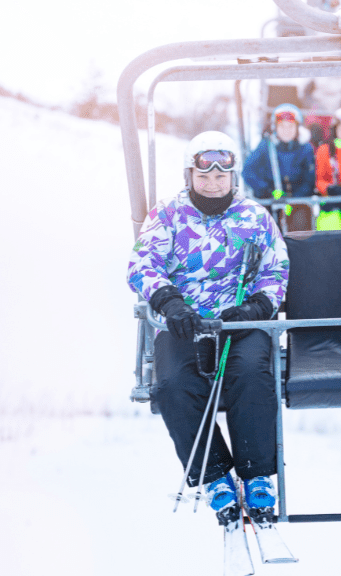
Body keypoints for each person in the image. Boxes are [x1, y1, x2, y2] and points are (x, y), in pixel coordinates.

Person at [126, 131, 289, 524]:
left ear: (233, 177)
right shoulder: (167, 214)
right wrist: (169, 302)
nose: (213, 184)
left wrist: (258, 306)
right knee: (172, 388)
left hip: (239, 321)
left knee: (251, 375)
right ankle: (214, 474)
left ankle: (256, 475)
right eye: (204, 177)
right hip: (186, 323)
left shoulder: (254, 217)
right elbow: (142, 264)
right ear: (189, 175)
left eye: (222, 177)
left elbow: (276, 268)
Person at [242, 103, 317, 232]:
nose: (286, 130)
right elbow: (248, 171)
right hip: (271, 198)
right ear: (275, 127)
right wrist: (267, 191)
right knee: (266, 225)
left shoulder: (305, 148)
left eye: (291, 126)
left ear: (298, 128)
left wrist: (293, 200)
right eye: (282, 126)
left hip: (297, 200)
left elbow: (309, 178)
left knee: (300, 226)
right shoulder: (266, 146)